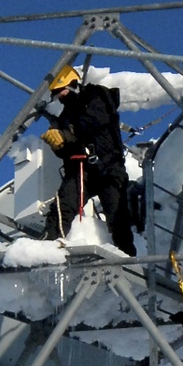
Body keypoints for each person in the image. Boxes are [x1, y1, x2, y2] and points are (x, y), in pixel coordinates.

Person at [41, 65, 137, 256]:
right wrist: (59, 144)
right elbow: (68, 147)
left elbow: (94, 122)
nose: (61, 97)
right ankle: (48, 247)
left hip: (108, 167)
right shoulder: (65, 117)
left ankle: (127, 259)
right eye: (58, 94)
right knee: (63, 206)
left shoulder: (97, 96)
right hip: (80, 169)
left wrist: (65, 135)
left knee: (117, 215)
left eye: (63, 92)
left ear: (74, 85)